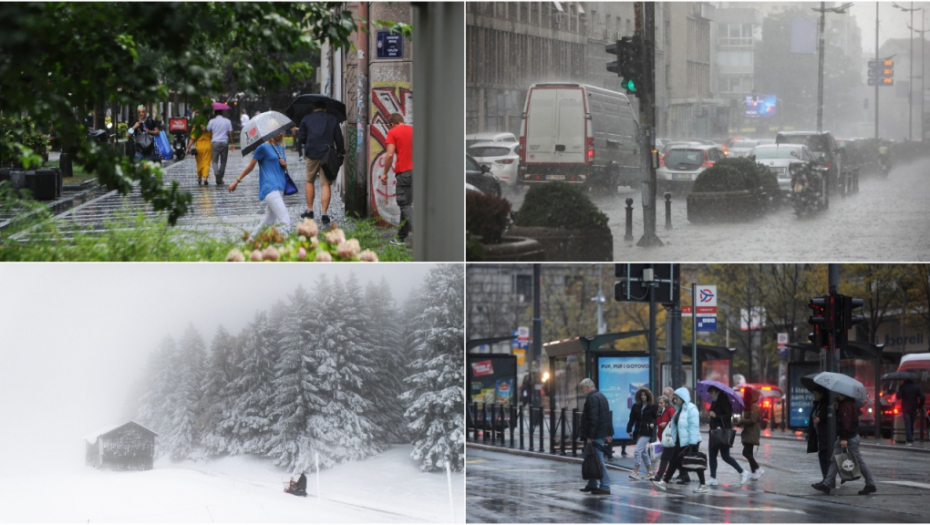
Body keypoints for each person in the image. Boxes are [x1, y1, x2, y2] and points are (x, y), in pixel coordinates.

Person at [812, 392, 877, 495]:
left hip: (849, 438)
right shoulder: (844, 404)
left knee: (859, 461)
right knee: (834, 459)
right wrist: (836, 409)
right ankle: (827, 484)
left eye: (836, 393)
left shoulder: (846, 405)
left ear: (840, 394)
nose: (835, 394)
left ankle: (870, 484)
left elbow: (846, 424)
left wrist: (844, 438)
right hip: (846, 437)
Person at [228, 131, 291, 238]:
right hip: (270, 187)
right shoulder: (262, 148)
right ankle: (285, 247)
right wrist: (237, 181)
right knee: (285, 219)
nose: (280, 134)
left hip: (280, 187)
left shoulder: (280, 147)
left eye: (281, 132)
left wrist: (285, 165)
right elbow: (251, 166)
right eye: (277, 132)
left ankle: (251, 242)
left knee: (267, 221)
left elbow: (282, 167)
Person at [652, 387, 708, 493]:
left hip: (690, 441)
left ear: (682, 398)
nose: (674, 400)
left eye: (676, 398)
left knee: (695, 462)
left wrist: (692, 442)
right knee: (674, 461)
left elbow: (693, 426)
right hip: (680, 440)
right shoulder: (679, 409)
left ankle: (703, 485)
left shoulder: (691, 408)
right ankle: (664, 482)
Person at [298, 101, 345, 226]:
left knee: (309, 181)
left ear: (314, 108)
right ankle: (324, 214)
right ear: (325, 108)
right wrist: (341, 152)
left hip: (311, 153)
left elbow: (301, 138)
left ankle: (310, 210)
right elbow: (338, 138)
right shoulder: (332, 119)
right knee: (326, 184)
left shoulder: (306, 119)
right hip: (327, 155)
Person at [379, 113, 413, 246]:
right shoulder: (414, 130)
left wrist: (384, 173)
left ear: (392, 124)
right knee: (407, 205)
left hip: (405, 173)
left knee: (404, 205)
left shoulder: (393, 132)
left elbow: (389, 155)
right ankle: (401, 237)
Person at [706, 386, 749, 486]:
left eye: (711, 393)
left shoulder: (724, 401)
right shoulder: (715, 401)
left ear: (716, 392)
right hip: (714, 432)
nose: (710, 396)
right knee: (712, 455)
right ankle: (713, 478)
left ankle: (742, 472)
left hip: (722, 432)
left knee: (725, 456)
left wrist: (715, 416)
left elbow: (727, 416)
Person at [578, 378, 612, 495]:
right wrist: (608, 433)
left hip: (595, 434)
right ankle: (592, 484)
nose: (582, 391)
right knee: (589, 456)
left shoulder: (592, 398)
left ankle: (605, 486)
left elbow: (594, 418)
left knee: (598, 460)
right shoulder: (601, 396)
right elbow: (607, 416)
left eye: (582, 388)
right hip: (600, 433)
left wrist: (590, 436)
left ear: (587, 387)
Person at [628, 387, 657, 480]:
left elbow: (656, 417)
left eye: (645, 395)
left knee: (637, 451)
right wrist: (629, 429)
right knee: (644, 452)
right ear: (639, 396)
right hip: (638, 431)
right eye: (641, 395)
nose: (643, 396)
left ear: (648, 396)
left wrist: (653, 423)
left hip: (647, 431)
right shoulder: (636, 406)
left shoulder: (652, 406)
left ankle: (635, 472)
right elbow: (632, 418)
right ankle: (650, 472)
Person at [738, 386, 764, 480]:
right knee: (749, 453)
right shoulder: (750, 406)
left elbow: (753, 420)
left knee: (745, 452)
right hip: (749, 432)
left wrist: (742, 420)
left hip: (752, 432)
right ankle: (754, 472)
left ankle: (758, 469)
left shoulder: (754, 406)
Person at [651, 395, 676, 482]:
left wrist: (666, 423)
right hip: (664, 438)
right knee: (673, 459)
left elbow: (675, 420)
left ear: (666, 403)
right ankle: (684, 475)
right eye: (659, 403)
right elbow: (657, 420)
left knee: (665, 458)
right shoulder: (660, 412)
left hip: (670, 438)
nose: (659, 404)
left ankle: (659, 476)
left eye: (661, 403)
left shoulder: (670, 410)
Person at [807, 387, 831, 477]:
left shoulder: (826, 404)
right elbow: (811, 418)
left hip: (825, 435)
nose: (814, 396)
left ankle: (828, 478)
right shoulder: (816, 404)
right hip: (818, 434)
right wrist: (809, 432)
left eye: (816, 394)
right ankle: (825, 477)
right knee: (822, 456)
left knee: (826, 456)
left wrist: (821, 418)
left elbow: (829, 416)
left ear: (821, 394)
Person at [207, 109, 234, 185]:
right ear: (222, 113)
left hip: (215, 142)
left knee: (214, 160)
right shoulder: (227, 121)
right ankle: (220, 178)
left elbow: (208, 129)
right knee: (223, 161)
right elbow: (230, 132)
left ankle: (216, 172)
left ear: (215, 113)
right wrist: (232, 143)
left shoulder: (212, 121)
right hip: (224, 142)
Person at [185, 111, 213, 186]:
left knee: (199, 163)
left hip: (199, 146)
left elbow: (192, 139)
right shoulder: (209, 125)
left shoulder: (196, 127)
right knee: (207, 163)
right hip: (208, 146)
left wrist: (188, 148)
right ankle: (205, 179)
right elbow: (213, 135)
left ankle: (199, 178)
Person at [898, 378, 926, 446]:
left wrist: (899, 390)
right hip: (914, 408)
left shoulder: (903, 386)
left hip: (905, 408)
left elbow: (898, 396)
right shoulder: (917, 387)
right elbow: (923, 397)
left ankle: (909, 440)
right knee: (911, 423)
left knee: (907, 423)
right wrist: (919, 406)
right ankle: (911, 437)